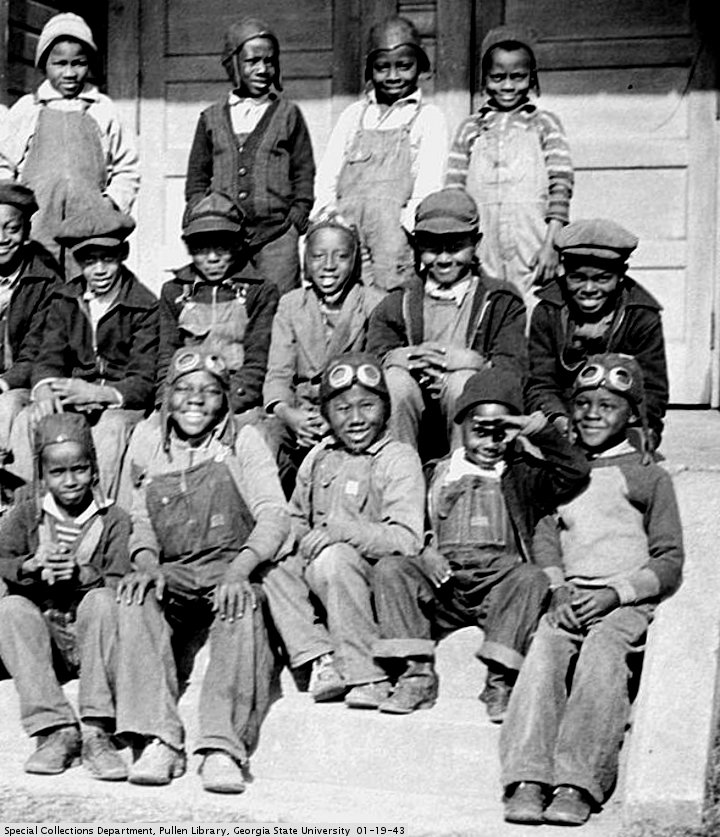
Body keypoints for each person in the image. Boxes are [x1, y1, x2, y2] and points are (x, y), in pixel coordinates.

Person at [500, 353, 684, 826]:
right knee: (545, 650)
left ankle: (578, 781)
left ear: (632, 414)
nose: (592, 414)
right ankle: (527, 776)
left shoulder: (648, 475)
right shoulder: (565, 471)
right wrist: (558, 590)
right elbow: (545, 535)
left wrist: (616, 594)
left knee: (603, 652)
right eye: (582, 403)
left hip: (622, 602)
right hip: (572, 597)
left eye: (608, 405)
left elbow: (668, 560)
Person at [115, 347, 289, 794]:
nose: (195, 400)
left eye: (209, 391)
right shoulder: (147, 439)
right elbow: (140, 519)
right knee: (134, 597)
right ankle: (159, 739)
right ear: (167, 397)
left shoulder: (244, 440)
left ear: (224, 400)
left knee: (242, 604)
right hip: (174, 568)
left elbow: (273, 515)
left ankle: (221, 747)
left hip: (229, 564)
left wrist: (240, 570)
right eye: (184, 389)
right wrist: (147, 563)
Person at [371, 367, 589, 720]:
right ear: (460, 425)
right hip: (444, 586)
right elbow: (410, 525)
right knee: (391, 569)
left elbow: (575, 471)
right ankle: (416, 676)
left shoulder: (522, 474)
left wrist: (533, 428)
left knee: (531, 579)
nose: (490, 444)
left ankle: (500, 681)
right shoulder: (436, 472)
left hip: (497, 587)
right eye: (480, 432)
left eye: (500, 433)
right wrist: (425, 552)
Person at [264, 352, 425, 708]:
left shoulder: (398, 458)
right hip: (320, 573)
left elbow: (407, 538)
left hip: (369, 579)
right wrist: (286, 539)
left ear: (385, 409)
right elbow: (296, 516)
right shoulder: (319, 455)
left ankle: (368, 675)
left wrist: (342, 531)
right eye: (342, 409)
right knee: (272, 565)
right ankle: (320, 657)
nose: (355, 419)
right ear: (326, 414)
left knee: (335, 558)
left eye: (367, 406)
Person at [0, 413, 131, 780]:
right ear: (42, 476)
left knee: (103, 600)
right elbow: (2, 559)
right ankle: (55, 728)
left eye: (80, 469)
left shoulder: (114, 519)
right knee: (10, 608)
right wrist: (29, 565)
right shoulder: (26, 516)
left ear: (94, 470)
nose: (70, 481)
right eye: (57, 472)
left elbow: (120, 579)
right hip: (50, 644)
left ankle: (96, 729)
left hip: (96, 645)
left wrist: (80, 575)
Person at [8, 205, 158, 499]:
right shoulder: (65, 298)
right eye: (89, 261)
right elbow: (49, 356)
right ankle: (25, 508)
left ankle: (99, 510)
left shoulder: (144, 305)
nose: (99, 270)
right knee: (29, 418)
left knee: (110, 429)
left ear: (124, 254)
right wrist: (44, 388)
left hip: (117, 404)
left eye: (108, 259)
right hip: (73, 397)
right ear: (78, 261)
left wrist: (99, 393)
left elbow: (143, 381)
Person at [367, 187, 526, 456]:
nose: (443, 258)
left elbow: (513, 368)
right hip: (415, 414)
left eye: (455, 246)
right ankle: (399, 469)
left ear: (476, 243)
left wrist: (475, 363)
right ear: (417, 245)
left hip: (472, 417)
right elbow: (374, 357)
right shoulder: (398, 300)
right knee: (394, 381)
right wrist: (402, 357)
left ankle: (463, 472)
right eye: (431, 246)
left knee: (463, 382)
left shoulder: (500, 300)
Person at [314, 16, 447, 291]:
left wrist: (405, 230)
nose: (393, 76)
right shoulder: (354, 115)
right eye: (382, 67)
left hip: (393, 236)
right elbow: (328, 175)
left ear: (420, 66)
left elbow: (429, 184)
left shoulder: (428, 118)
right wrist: (330, 218)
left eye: (404, 66)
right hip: (346, 230)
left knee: (390, 299)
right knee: (346, 298)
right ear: (370, 69)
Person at [185, 18, 315, 296]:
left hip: (277, 234)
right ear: (233, 63)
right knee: (230, 300)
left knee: (279, 301)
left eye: (269, 61)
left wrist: (297, 216)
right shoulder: (211, 117)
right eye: (252, 61)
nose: (262, 69)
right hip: (224, 236)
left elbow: (303, 170)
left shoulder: (288, 114)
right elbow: (197, 176)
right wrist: (201, 212)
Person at [445, 26, 573, 308]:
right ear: (484, 79)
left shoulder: (544, 125)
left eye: (518, 77)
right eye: (498, 77)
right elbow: (454, 195)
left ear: (532, 78)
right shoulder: (471, 128)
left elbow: (561, 186)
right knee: (486, 309)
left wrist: (552, 245)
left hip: (532, 241)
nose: (507, 86)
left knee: (534, 309)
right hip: (483, 243)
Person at [0, 12, 139, 269]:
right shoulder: (28, 109)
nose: (70, 73)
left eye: (79, 63)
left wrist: (110, 202)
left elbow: (126, 167)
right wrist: (14, 210)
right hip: (38, 223)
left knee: (83, 278)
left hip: (90, 222)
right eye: (60, 63)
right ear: (44, 64)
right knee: (40, 278)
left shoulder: (103, 109)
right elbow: (3, 165)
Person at [263, 213, 383, 495]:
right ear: (306, 261)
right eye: (318, 256)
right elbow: (278, 373)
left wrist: (335, 418)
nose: (328, 266)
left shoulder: (373, 304)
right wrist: (288, 413)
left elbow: (377, 379)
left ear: (354, 260)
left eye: (341, 256)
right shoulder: (291, 305)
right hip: (300, 412)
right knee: (266, 438)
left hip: (350, 412)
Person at [525, 219, 668, 454]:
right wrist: (559, 420)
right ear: (564, 272)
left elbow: (653, 390)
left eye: (602, 279)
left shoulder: (642, 316)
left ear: (621, 275)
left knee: (632, 457)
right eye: (577, 278)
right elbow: (541, 382)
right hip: (564, 415)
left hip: (619, 419)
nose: (589, 289)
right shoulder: (548, 311)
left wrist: (634, 426)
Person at [157, 191, 278, 415]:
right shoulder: (174, 291)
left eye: (222, 247)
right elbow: (166, 358)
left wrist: (222, 403)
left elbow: (257, 363)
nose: (212, 258)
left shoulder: (260, 292)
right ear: (190, 248)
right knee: (149, 432)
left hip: (236, 400)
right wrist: (167, 404)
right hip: (185, 398)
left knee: (251, 433)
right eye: (202, 248)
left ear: (238, 245)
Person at [0, 184, 62, 468]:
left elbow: (36, 352)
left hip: (19, 384)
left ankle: (11, 490)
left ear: (26, 232)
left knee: (7, 405)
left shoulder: (46, 281)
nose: (2, 239)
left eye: (12, 229)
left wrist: (3, 383)